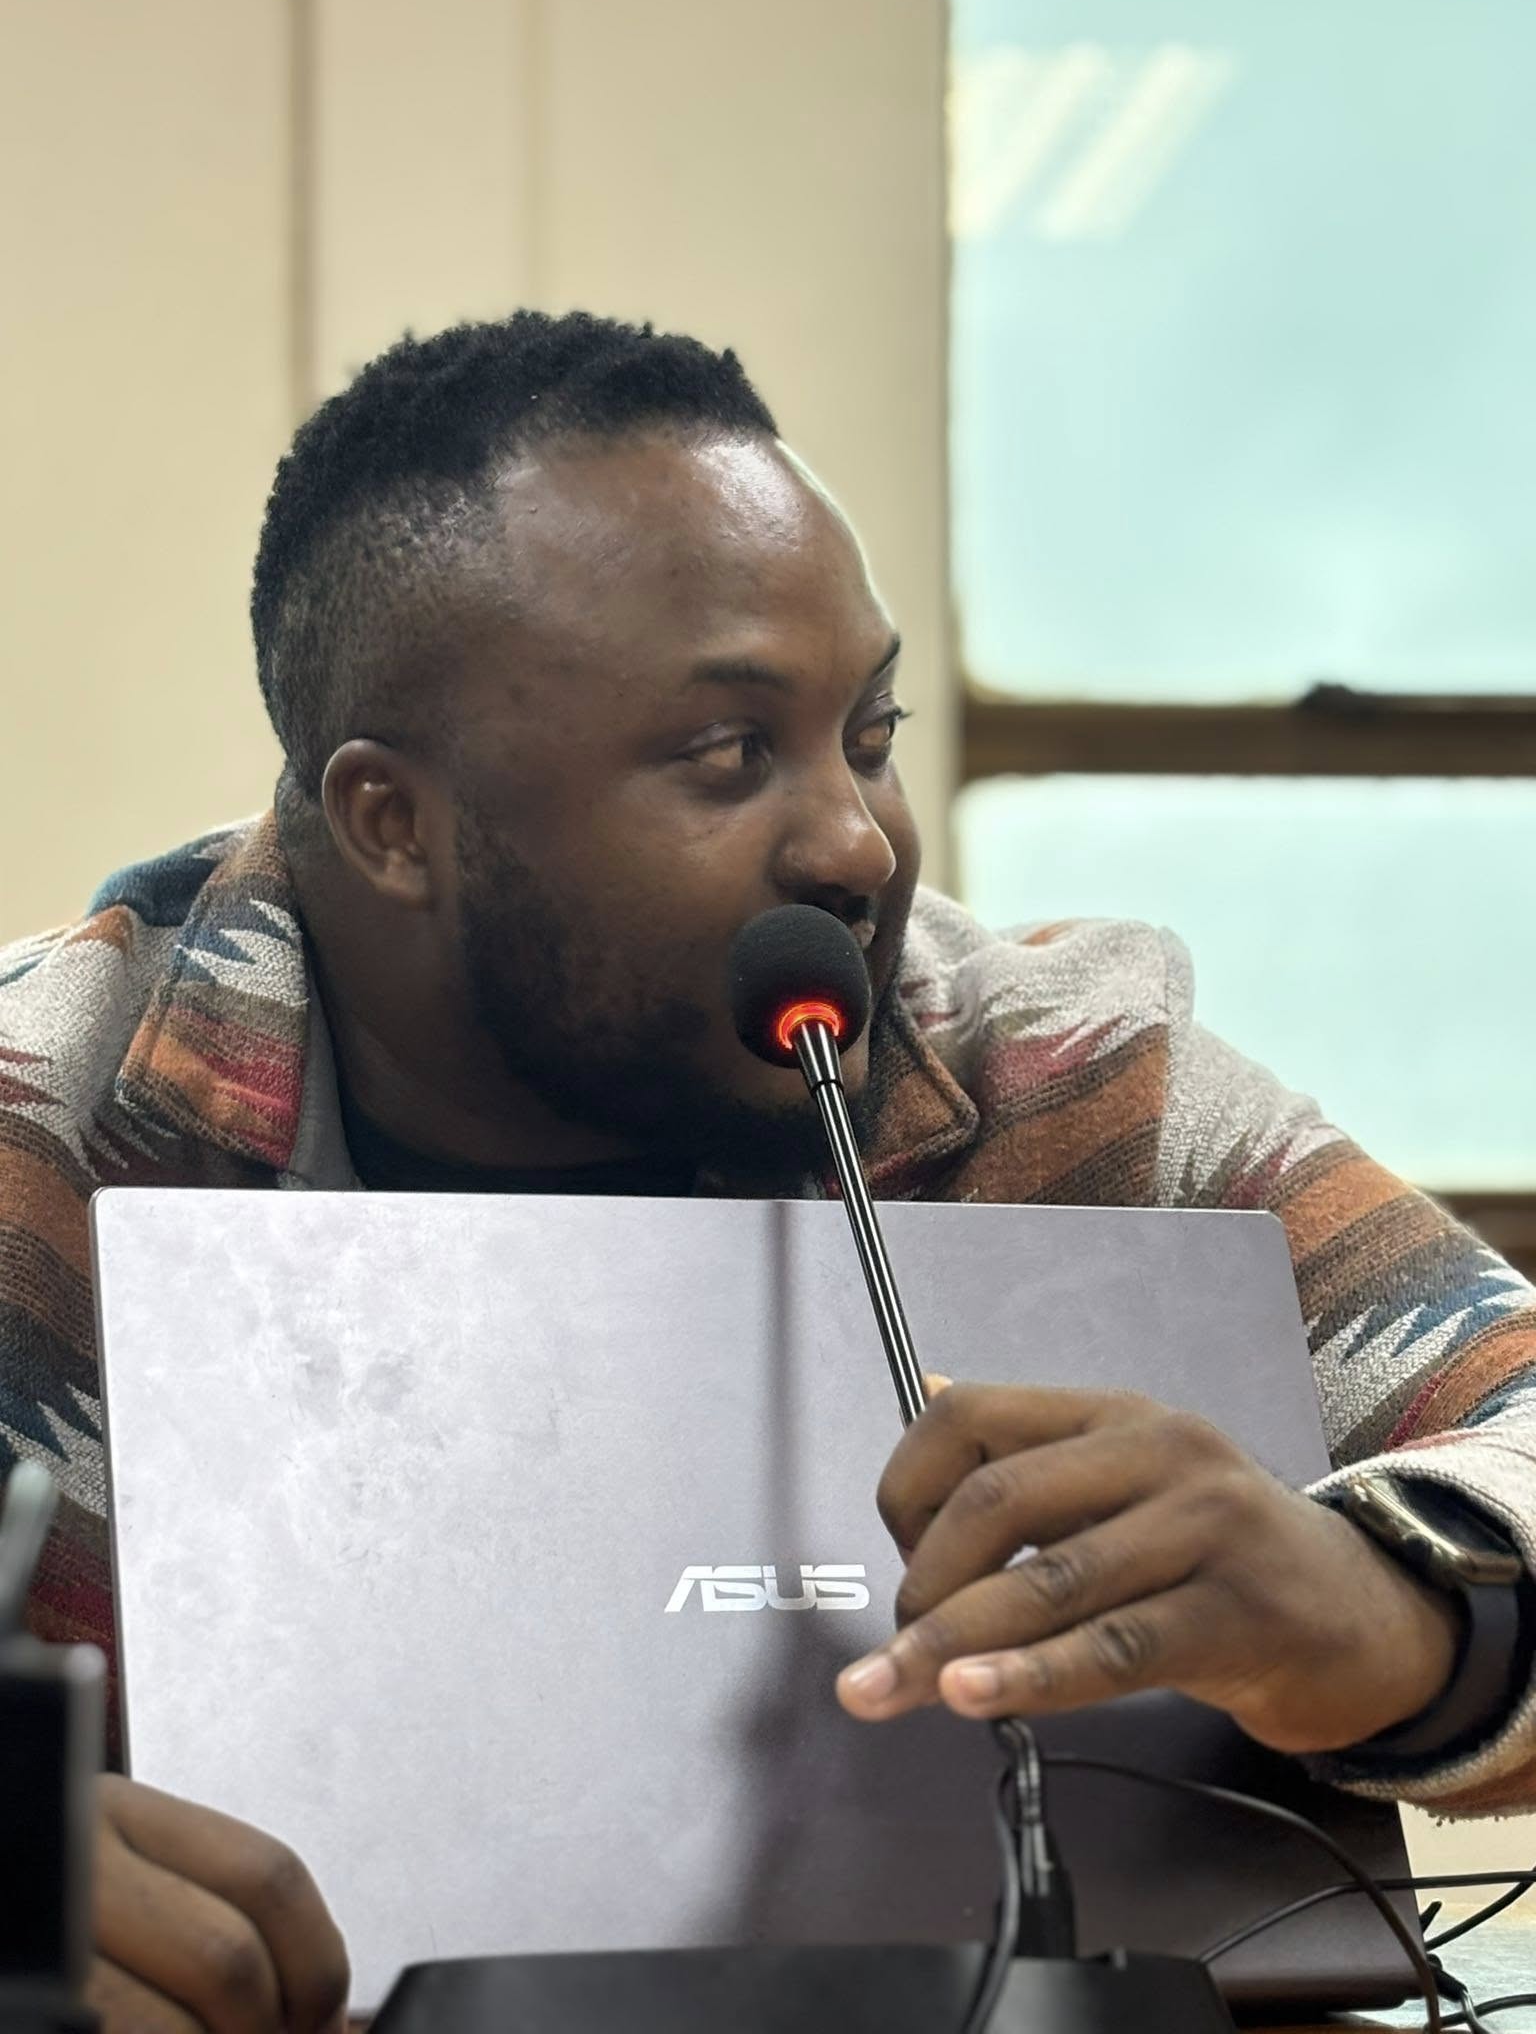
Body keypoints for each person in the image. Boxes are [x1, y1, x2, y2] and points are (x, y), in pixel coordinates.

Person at [2, 310, 1532, 2030]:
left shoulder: (1063, 1073)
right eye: (729, 753)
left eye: (868, 733)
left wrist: (1405, 1618)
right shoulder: (38, 1116)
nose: (857, 843)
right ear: (392, 823)